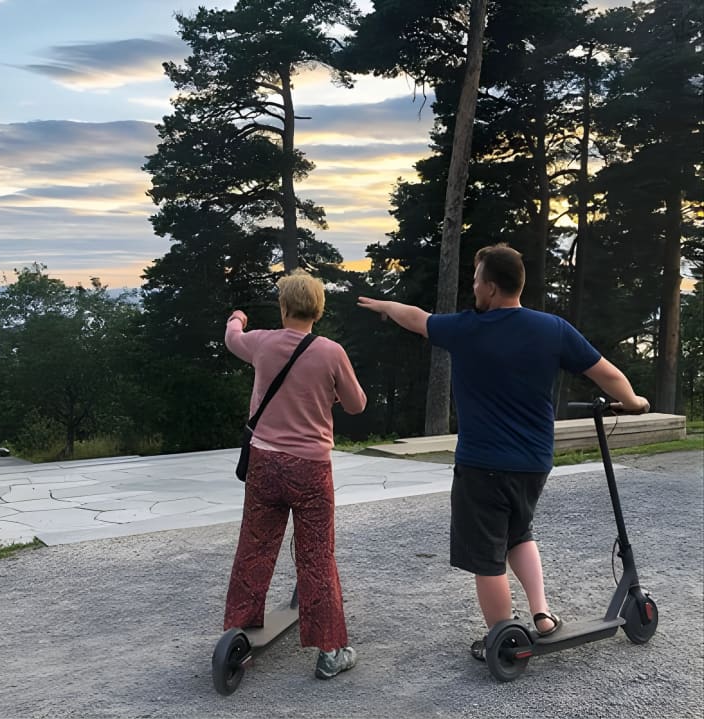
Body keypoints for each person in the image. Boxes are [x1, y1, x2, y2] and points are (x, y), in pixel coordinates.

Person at [357, 243, 649, 661]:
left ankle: (502, 637)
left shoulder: (466, 329)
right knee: (519, 533)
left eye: (477, 280)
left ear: (492, 288)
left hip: (482, 465)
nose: (473, 287)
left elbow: (417, 319)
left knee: (487, 557)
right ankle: (542, 615)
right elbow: (606, 373)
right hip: (534, 463)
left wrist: (387, 306)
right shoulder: (552, 329)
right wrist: (634, 402)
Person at [224, 269, 367, 679]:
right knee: (317, 555)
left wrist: (237, 317)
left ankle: (240, 627)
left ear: (284, 307)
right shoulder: (331, 352)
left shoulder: (263, 343)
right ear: (317, 311)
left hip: (264, 463)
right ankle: (330, 651)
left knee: (254, 546)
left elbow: (233, 338)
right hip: (311, 469)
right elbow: (356, 404)